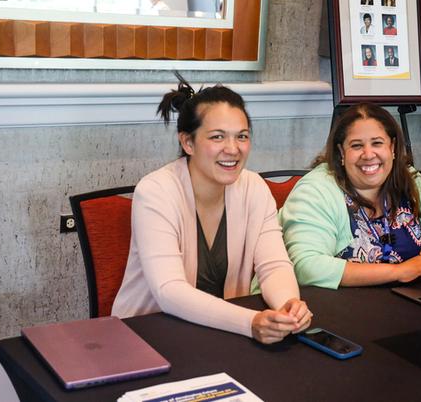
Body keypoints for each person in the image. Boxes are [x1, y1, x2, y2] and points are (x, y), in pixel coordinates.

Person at [111, 74, 311, 344]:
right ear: (188, 143)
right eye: (217, 137)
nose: (232, 149)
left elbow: (274, 266)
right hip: (148, 338)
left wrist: (289, 305)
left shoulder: (254, 188)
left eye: (242, 136)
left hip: (221, 335)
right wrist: (250, 322)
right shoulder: (156, 191)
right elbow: (169, 290)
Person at [279, 103, 421, 288]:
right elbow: (307, 268)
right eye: (357, 145)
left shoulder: (412, 181)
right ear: (342, 152)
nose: (368, 154)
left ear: (392, 147)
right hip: (324, 305)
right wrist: (399, 272)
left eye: (377, 143)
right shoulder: (315, 190)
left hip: (404, 301)